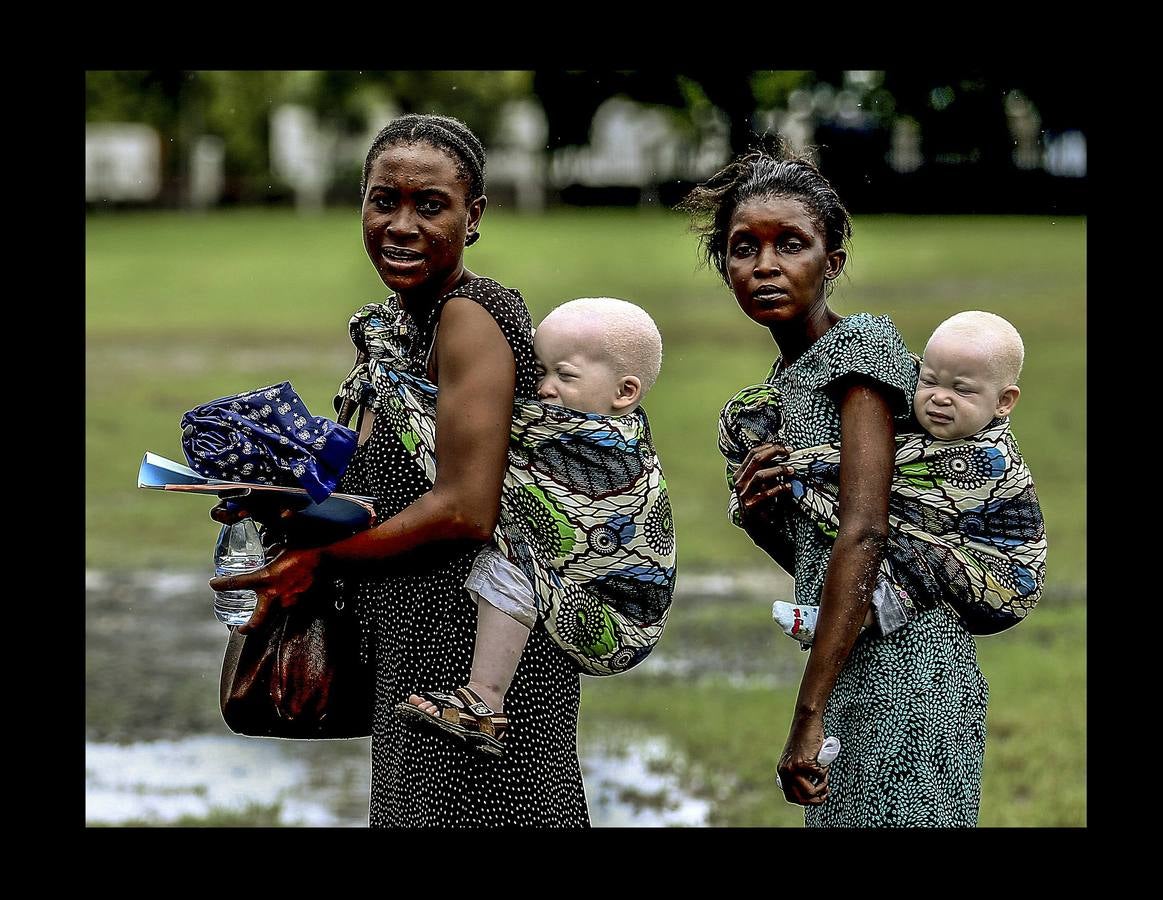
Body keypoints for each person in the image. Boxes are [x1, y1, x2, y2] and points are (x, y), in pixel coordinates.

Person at [209, 114, 590, 828]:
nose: (401, 224)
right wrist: (281, 498)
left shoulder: (470, 314)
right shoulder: (397, 327)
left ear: (472, 216)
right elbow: (390, 478)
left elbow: (464, 509)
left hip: (477, 649)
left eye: (430, 205)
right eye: (384, 200)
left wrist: (318, 560)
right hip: (418, 632)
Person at [680, 142, 989, 826]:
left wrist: (805, 720)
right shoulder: (774, 399)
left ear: (832, 262)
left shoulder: (859, 350)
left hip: (910, 672)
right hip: (849, 661)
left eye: (789, 244)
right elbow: (823, 559)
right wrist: (763, 520)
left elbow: (867, 533)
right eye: (742, 248)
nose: (763, 266)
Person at [395, 296, 665, 756]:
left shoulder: (609, 451)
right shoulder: (561, 428)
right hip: (577, 599)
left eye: (565, 375)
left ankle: (485, 698)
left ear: (625, 393)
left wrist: (405, 397)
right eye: (541, 372)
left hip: (616, 618)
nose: (543, 388)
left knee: (511, 565)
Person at [764, 310, 1040, 644]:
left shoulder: (988, 458)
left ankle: (848, 617)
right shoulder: (942, 421)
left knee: (903, 547)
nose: (939, 397)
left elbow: (864, 467)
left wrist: (796, 467)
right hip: (960, 557)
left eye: (961, 390)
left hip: (1001, 582)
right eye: (928, 380)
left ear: (1004, 402)